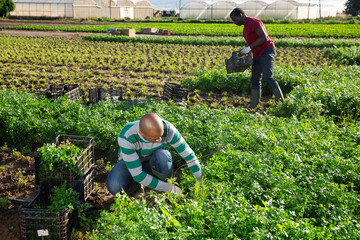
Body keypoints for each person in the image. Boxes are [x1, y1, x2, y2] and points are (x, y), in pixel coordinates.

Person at [107, 113, 202, 196]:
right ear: (141, 133)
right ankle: (136, 186)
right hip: (130, 163)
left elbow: (189, 155)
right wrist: (169, 188)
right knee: (115, 187)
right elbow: (138, 175)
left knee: (163, 156)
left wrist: (199, 180)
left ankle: (159, 184)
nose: (159, 140)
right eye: (154, 138)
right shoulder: (127, 136)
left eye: (160, 136)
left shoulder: (168, 129)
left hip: (154, 159)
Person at [230, 8, 284, 108]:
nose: (234, 22)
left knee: (268, 77)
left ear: (240, 15)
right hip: (256, 54)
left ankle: (282, 103)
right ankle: (253, 105)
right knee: (255, 79)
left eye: (235, 19)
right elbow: (251, 44)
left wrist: (249, 48)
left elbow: (263, 37)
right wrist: (243, 53)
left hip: (266, 50)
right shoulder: (245, 28)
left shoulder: (254, 22)